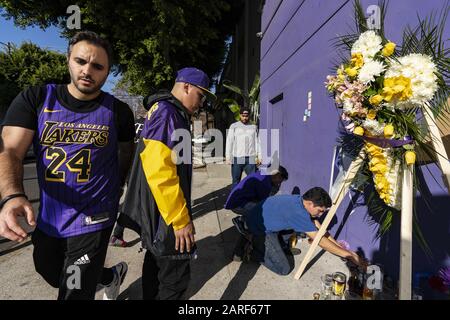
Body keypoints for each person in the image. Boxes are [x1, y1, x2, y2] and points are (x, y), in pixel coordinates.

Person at [0, 31, 135, 300]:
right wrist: (12, 195)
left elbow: (124, 155)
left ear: (108, 72)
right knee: (50, 271)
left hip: (94, 217)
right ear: (68, 60)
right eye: (81, 61)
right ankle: (110, 276)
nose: (87, 70)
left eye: (98, 66)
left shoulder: (118, 112)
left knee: (73, 291)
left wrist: (116, 190)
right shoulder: (36, 99)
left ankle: (93, 277)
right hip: (52, 216)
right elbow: (11, 150)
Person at [118, 67, 216, 300]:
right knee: (175, 280)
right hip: (166, 216)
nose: (200, 103)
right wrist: (180, 220)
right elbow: (160, 171)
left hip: (157, 211)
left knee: (155, 265)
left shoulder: (161, 110)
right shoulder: (167, 113)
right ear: (186, 87)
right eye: (200, 95)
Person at [241, 187, 367, 275]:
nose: (320, 214)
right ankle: (252, 250)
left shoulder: (300, 200)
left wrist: (341, 248)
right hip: (258, 229)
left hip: (262, 220)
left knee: (297, 230)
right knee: (284, 269)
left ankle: (279, 248)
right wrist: (348, 256)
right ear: (311, 204)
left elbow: (320, 230)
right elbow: (320, 241)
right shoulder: (298, 213)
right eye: (320, 210)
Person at [224, 166, 289, 261]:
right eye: (280, 181)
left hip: (236, 200)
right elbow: (263, 203)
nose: (279, 184)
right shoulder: (265, 182)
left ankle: (241, 248)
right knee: (259, 219)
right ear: (276, 175)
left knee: (257, 219)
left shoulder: (263, 173)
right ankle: (243, 224)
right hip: (238, 204)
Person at [225, 107, 260, 189]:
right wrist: (228, 156)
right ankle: (234, 199)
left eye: (246, 115)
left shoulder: (253, 127)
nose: (244, 117)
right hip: (237, 157)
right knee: (236, 181)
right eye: (243, 115)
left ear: (249, 116)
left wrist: (259, 156)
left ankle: (251, 199)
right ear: (240, 115)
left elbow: (257, 142)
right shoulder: (234, 126)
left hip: (250, 158)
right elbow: (229, 141)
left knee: (252, 180)